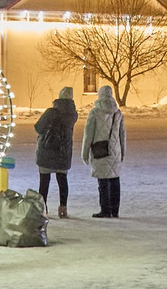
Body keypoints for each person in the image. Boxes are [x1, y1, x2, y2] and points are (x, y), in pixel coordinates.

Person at [33, 87, 79, 215]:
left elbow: (38, 127)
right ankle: (63, 208)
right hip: (63, 152)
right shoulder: (73, 114)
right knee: (62, 180)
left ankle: (43, 209)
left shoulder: (50, 112)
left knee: (44, 182)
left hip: (47, 150)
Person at [83, 85, 126, 217]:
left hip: (100, 150)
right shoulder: (118, 113)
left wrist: (85, 153)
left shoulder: (95, 112)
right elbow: (122, 135)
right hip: (115, 151)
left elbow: (88, 134)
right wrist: (122, 153)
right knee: (114, 180)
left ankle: (105, 210)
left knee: (103, 181)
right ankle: (115, 210)